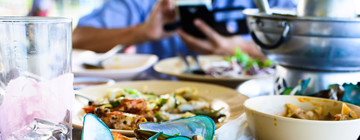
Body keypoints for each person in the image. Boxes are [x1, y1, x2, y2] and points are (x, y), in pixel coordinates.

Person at [73, 0, 296, 59]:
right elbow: (77, 37)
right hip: (161, 98)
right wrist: (141, 32)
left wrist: (241, 49)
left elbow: (304, 47)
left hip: (245, 95)